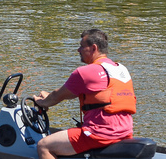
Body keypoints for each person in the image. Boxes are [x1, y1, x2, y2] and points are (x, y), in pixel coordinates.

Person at [33, 29, 134, 158]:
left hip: (101, 133)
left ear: (93, 48)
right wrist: (51, 97)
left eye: (81, 46)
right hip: (125, 131)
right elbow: (68, 94)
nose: (78, 50)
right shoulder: (120, 69)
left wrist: (41, 102)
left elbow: (57, 97)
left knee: (44, 146)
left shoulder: (85, 72)